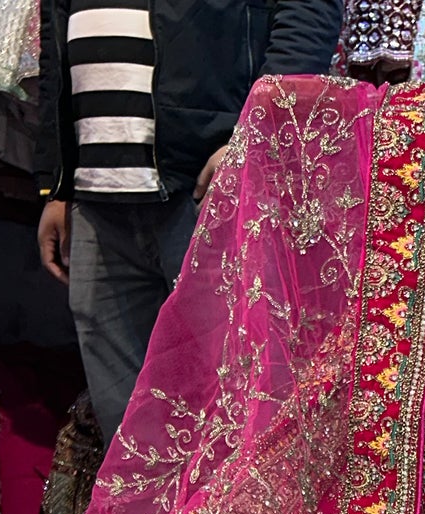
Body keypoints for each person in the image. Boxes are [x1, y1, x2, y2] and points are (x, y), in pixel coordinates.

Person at [36, 0, 345, 444]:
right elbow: (56, 41)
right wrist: (56, 181)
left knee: (239, 419)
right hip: (95, 195)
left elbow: (308, 11)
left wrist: (257, 131)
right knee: (127, 440)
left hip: (206, 184)